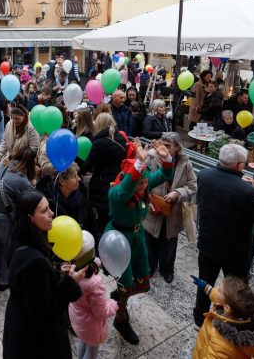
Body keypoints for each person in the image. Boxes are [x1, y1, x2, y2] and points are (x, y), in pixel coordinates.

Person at [194, 144, 254, 328]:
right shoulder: (248, 191)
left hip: (208, 244)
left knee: (205, 282)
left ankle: (199, 318)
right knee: (237, 291)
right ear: (239, 165)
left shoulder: (204, 175)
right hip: (235, 252)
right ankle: (235, 322)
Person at [106, 138, 174, 344]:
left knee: (144, 284)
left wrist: (167, 157)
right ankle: (121, 317)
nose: (144, 185)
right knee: (126, 284)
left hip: (137, 237)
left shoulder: (142, 185)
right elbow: (126, 189)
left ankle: (119, 296)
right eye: (140, 182)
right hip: (119, 240)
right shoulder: (116, 192)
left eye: (145, 182)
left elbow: (164, 174)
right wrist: (138, 162)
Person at [2, 191, 83, 358]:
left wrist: (55, 272)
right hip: (36, 343)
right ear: (30, 217)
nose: (52, 213)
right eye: (45, 211)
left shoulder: (19, 237)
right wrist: (69, 282)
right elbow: (45, 316)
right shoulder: (34, 262)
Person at [143, 132, 197, 283]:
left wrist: (177, 193)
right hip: (152, 210)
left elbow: (192, 186)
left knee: (169, 243)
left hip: (173, 213)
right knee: (150, 241)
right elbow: (142, 180)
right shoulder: (152, 158)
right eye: (162, 144)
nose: (163, 148)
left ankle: (167, 270)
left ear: (177, 148)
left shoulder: (185, 163)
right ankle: (150, 268)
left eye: (167, 146)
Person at [0, 149, 36, 291]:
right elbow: (30, 200)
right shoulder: (22, 180)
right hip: (1, 219)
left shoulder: (2, 165)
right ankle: (4, 281)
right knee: (8, 247)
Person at [192, 276, 254, 359]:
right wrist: (207, 288)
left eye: (219, 290)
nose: (216, 288)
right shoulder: (239, 309)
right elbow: (218, 296)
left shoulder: (222, 343)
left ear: (227, 308)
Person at [67, 232, 117, 359]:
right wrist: (113, 304)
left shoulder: (70, 270)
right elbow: (101, 311)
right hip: (91, 326)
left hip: (77, 318)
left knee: (82, 340)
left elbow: (87, 259)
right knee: (92, 351)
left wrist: (94, 261)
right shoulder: (94, 283)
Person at [80, 113, 127, 240]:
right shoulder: (121, 138)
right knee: (115, 215)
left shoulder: (99, 143)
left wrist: (78, 169)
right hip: (118, 182)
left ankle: (106, 244)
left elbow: (87, 165)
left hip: (102, 185)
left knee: (103, 219)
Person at [39, 163, 95, 231]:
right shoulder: (48, 200)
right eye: (74, 176)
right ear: (62, 181)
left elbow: (92, 222)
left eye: (77, 175)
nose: (79, 179)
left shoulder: (82, 193)